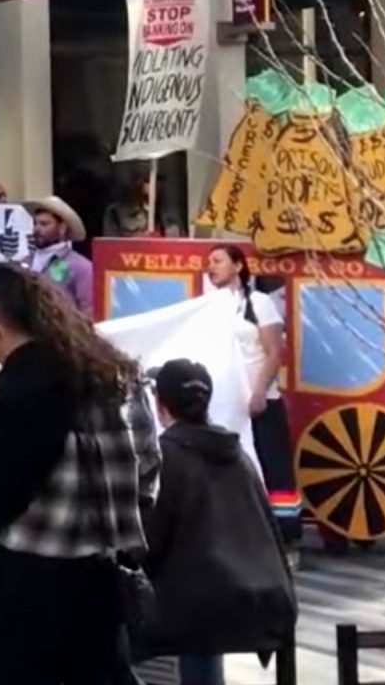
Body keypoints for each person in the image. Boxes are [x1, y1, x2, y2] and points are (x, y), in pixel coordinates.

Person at [0, 264, 157, 685]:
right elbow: (148, 474)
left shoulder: (6, 401)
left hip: (22, 591)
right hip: (102, 585)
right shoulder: (119, 380)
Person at [140, 360, 296, 685]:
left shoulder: (166, 456)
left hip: (201, 606)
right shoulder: (238, 455)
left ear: (161, 406)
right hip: (264, 593)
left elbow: (149, 539)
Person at [204, 242, 299, 545]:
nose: (211, 266)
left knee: (273, 466)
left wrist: (259, 391)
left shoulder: (259, 303)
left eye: (218, 260)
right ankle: (242, 535)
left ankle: (285, 538)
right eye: (209, 262)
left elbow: (273, 353)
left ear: (238, 266)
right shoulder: (207, 307)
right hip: (227, 404)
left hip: (261, 400)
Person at [26, 197, 96, 317]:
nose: (37, 229)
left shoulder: (81, 267)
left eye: (44, 224)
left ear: (62, 228)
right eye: (35, 224)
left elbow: (89, 310)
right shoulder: (23, 263)